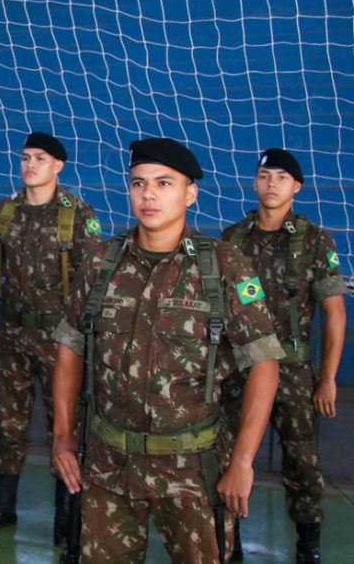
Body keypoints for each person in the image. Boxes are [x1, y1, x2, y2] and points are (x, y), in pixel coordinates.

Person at [51, 137, 282, 563]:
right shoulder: (102, 263)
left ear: (190, 192)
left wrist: (244, 462)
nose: (149, 195)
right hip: (109, 469)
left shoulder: (223, 267)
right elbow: (69, 349)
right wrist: (63, 438)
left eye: (163, 183)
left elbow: (265, 364)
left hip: (193, 471)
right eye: (138, 184)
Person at [0, 132, 100, 538]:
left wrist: (82, 341)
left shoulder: (77, 214)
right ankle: (4, 506)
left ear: (58, 166)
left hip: (60, 341)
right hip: (11, 334)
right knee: (9, 425)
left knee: (64, 428)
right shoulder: (5, 211)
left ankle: (67, 517)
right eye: (25, 157)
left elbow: (91, 279)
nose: (29, 164)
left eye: (40, 158)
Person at [221, 148, 346, 563]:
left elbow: (334, 313)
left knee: (303, 465)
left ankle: (307, 546)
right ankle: (229, 544)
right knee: (227, 457)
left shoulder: (314, 241)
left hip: (292, 371)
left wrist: (327, 378)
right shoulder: (232, 239)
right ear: (255, 183)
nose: (272, 183)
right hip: (239, 369)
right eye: (264, 175)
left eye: (281, 177)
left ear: (296, 187)